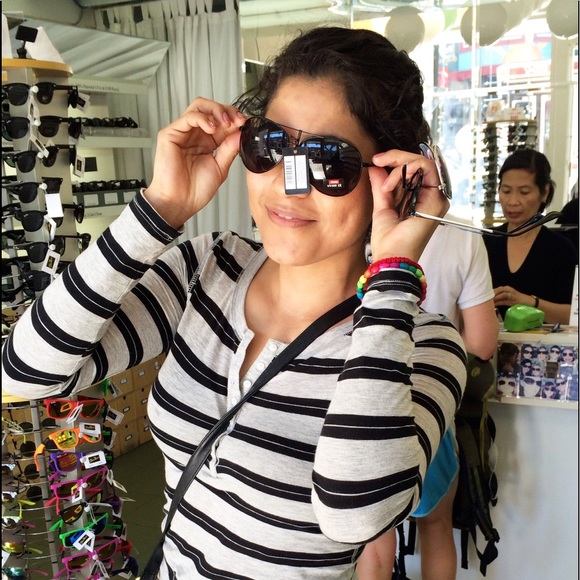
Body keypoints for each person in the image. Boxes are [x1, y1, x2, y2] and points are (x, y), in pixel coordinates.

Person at [1, 27, 467, 579]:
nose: (288, 186)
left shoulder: (422, 346)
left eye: (330, 161)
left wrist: (394, 276)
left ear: (396, 177)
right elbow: (27, 371)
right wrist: (159, 208)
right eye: (270, 145)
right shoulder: (207, 268)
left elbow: (354, 516)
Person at [357, 220, 498, 580]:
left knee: (375, 541)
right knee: (436, 526)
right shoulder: (462, 235)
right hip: (433, 406)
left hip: (366, 402)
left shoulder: (353, 225)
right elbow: (482, 344)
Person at [483, 149, 578, 325]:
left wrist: (529, 302)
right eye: (506, 191)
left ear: (545, 192)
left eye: (524, 192)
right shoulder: (485, 242)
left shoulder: (561, 249)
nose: (513, 201)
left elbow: (573, 315)